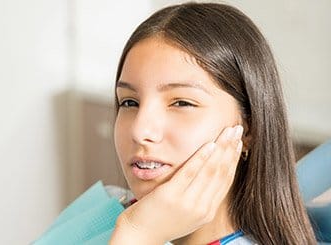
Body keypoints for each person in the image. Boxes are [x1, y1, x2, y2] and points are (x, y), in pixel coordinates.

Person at [109, 2, 317, 245]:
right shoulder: (108, 207)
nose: (139, 130)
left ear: (248, 130)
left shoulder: (133, 229)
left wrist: (138, 235)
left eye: (181, 103)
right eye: (130, 102)